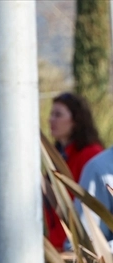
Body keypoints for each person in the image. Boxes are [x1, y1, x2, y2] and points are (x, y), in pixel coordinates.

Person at [45, 92, 104, 249]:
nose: (51, 119)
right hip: (54, 245)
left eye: (58, 114)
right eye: (52, 114)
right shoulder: (55, 156)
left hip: (78, 249)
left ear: (76, 120)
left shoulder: (92, 156)